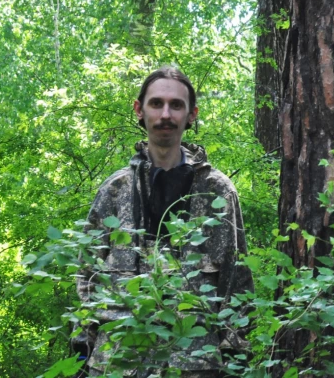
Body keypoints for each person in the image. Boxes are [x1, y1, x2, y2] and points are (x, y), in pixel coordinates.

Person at [76, 67, 253, 376]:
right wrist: (82, 350)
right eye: (156, 103)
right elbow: (87, 277)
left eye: (176, 105)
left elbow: (236, 282)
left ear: (192, 114)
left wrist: (236, 358)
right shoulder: (115, 190)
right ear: (139, 109)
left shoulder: (217, 191)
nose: (165, 114)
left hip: (195, 365)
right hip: (119, 362)